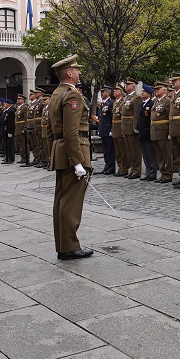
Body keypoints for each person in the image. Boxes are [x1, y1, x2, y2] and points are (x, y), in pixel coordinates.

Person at [48, 54, 93, 260]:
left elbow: (53, 130)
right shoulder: (72, 95)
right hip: (73, 151)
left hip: (61, 150)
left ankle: (64, 244)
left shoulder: (57, 93)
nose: (79, 73)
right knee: (70, 203)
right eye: (76, 70)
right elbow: (71, 132)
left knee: (62, 200)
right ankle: (69, 246)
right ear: (69, 73)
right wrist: (78, 161)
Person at [150, 82, 172, 183]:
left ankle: (168, 174)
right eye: (155, 89)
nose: (156, 91)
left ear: (164, 90)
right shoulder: (156, 101)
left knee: (166, 154)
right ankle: (163, 173)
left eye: (158, 89)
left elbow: (170, 117)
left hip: (163, 131)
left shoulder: (167, 101)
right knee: (159, 155)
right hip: (155, 131)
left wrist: (169, 132)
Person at [121, 79, 143, 179]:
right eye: (126, 84)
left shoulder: (137, 98)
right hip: (125, 126)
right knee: (129, 150)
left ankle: (137, 170)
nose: (126, 86)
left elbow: (137, 114)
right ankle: (132, 168)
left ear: (134, 86)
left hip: (131, 126)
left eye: (128, 84)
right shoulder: (127, 98)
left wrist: (135, 127)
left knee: (135, 150)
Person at [138, 84, 158, 181]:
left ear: (149, 94)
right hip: (142, 132)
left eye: (144, 92)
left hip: (148, 132)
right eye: (142, 91)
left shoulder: (151, 104)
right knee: (145, 154)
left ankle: (152, 172)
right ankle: (147, 172)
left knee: (151, 154)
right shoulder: (142, 104)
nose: (142, 93)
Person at [97, 86, 115, 175]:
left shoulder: (110, 103)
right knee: (105, 149)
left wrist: (111, 129)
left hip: (108, 129)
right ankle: (107, 165)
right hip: (103, 129)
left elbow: (112, 117)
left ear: (108, 93)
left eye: (103, 92)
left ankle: (111, 167)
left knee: (110, 149)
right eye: (101, 92)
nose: (101, 93)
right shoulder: (103, 104)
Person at [1, 99, 16, 163]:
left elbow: (11, 123)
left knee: (10, 144)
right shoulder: (6, 111)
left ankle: (10, 157)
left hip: (9, 131)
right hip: (5, 130)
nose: (4, 105)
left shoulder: (11, 111)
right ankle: (7, 156)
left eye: (5, 103)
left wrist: (10, 132)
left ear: (9, 104)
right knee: (6, 144)